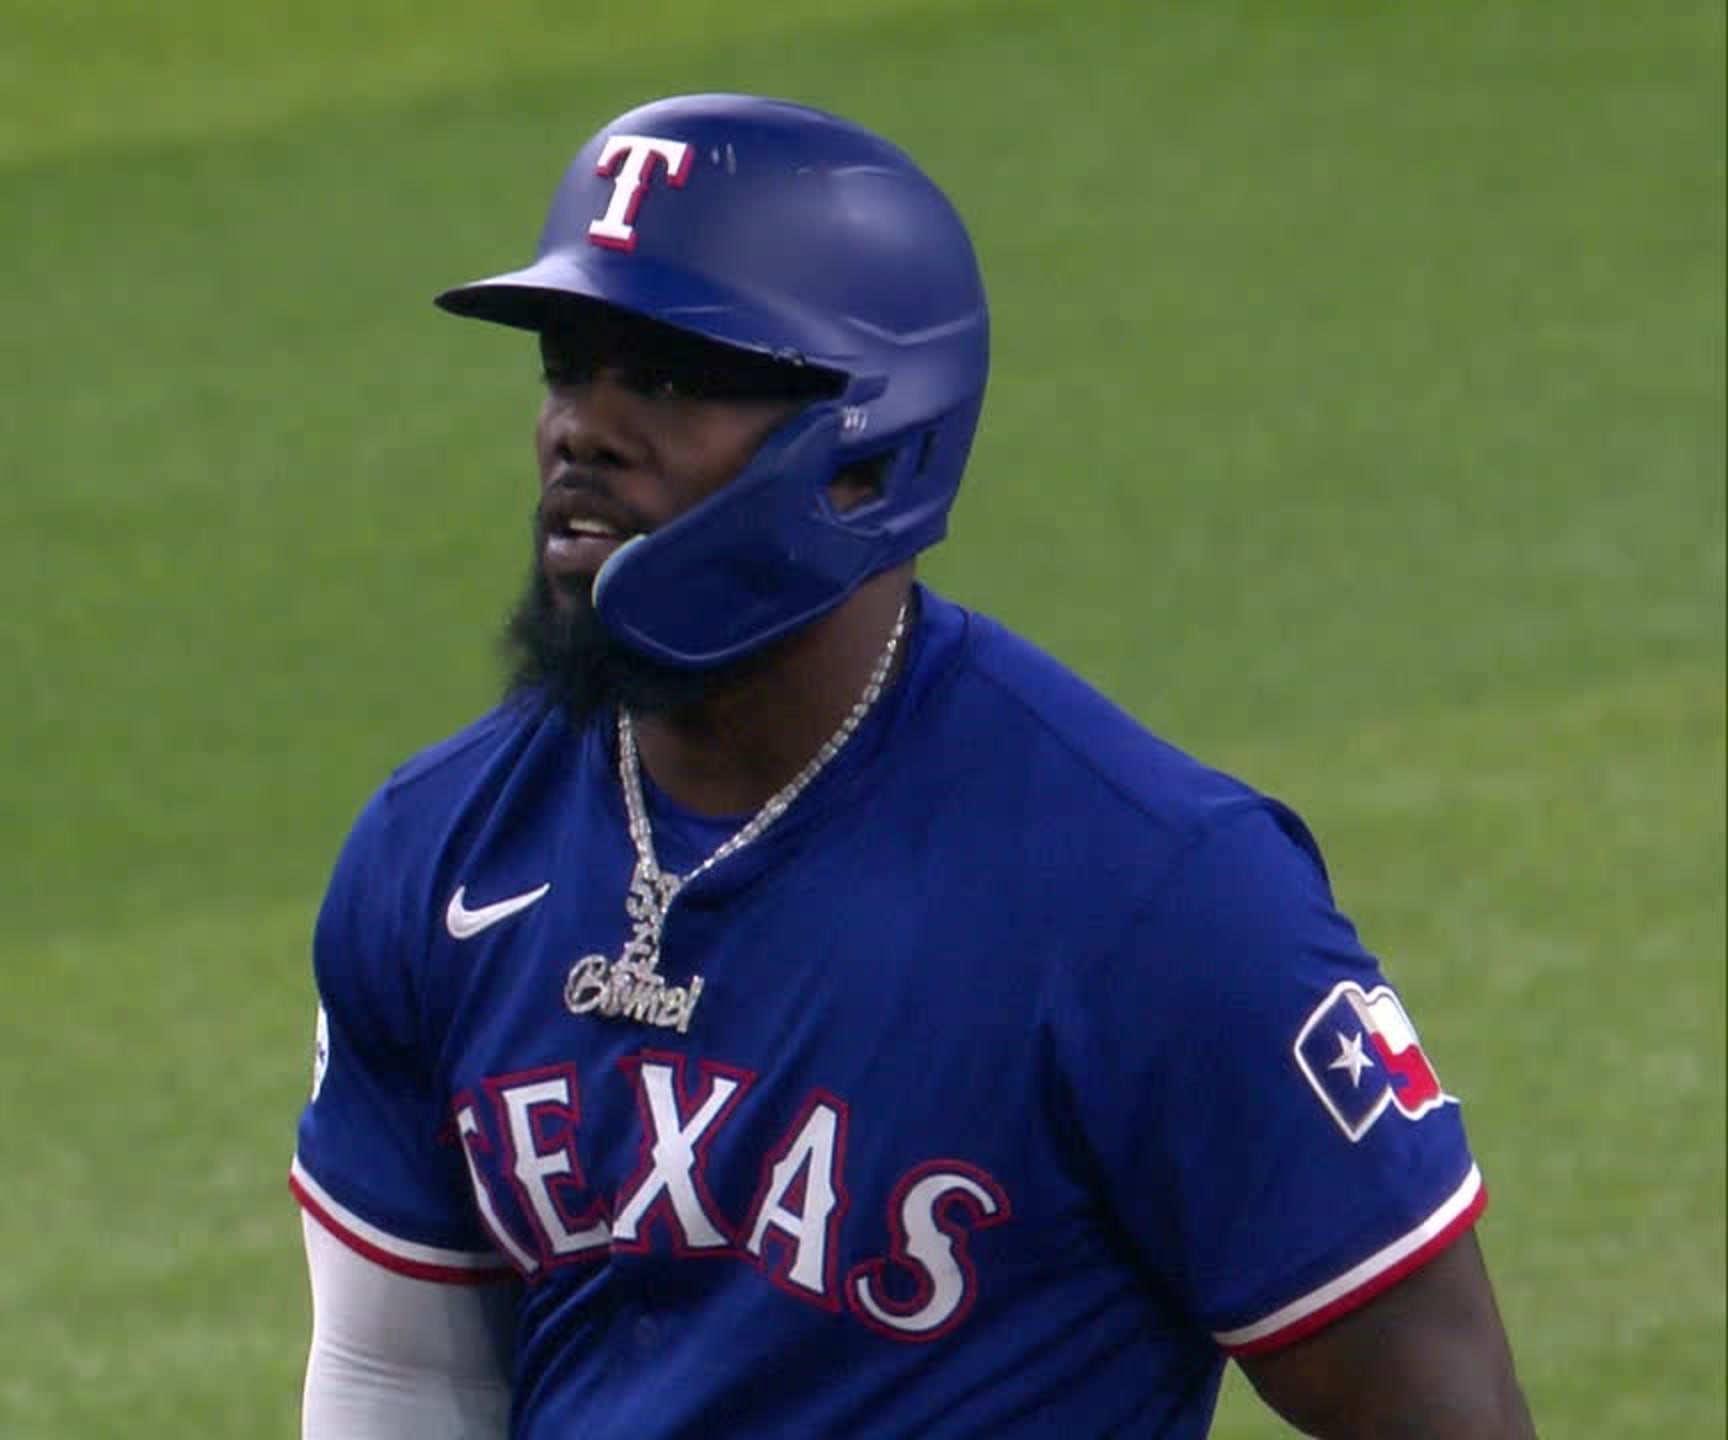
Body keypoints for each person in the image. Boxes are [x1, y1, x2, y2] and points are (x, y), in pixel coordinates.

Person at [288, 93, 1532, 1438]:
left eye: (667, 377)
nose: (580, 429)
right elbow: (398, 1376)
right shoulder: (440, 849)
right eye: (566, 366)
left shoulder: (1155, 899)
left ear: (867, 455)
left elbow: (1447, 1419)